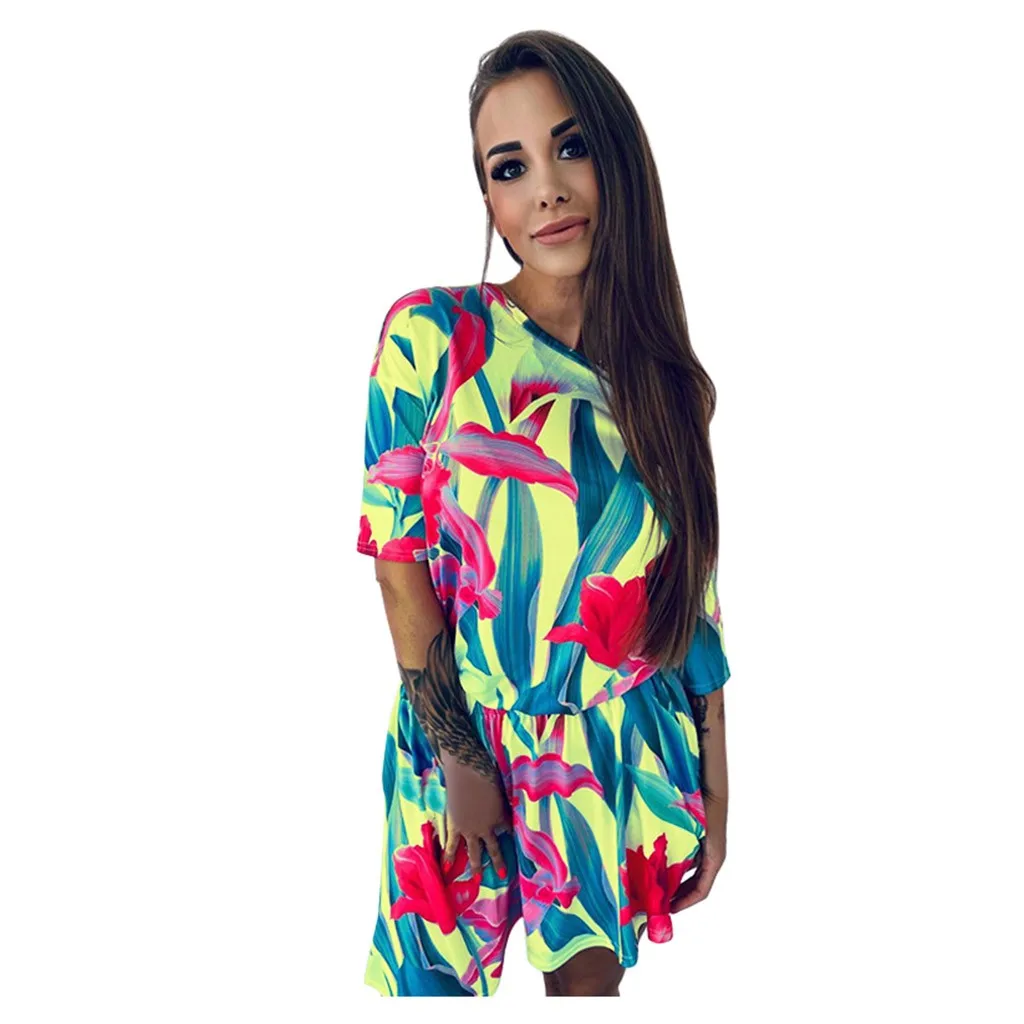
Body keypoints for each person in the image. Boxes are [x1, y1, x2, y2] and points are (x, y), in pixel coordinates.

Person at [356, 29, 731, 998]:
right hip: (464, 730)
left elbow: (690, 592)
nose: (548, 191)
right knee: (431, 992)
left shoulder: (663, 380)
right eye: (510, 167)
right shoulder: (433, 337)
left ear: (618, 157)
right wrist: (461, 754)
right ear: (487, 197)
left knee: (586, 994)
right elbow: (397, 563)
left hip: (621, 744)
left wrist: (717, 778)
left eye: (571, 148)